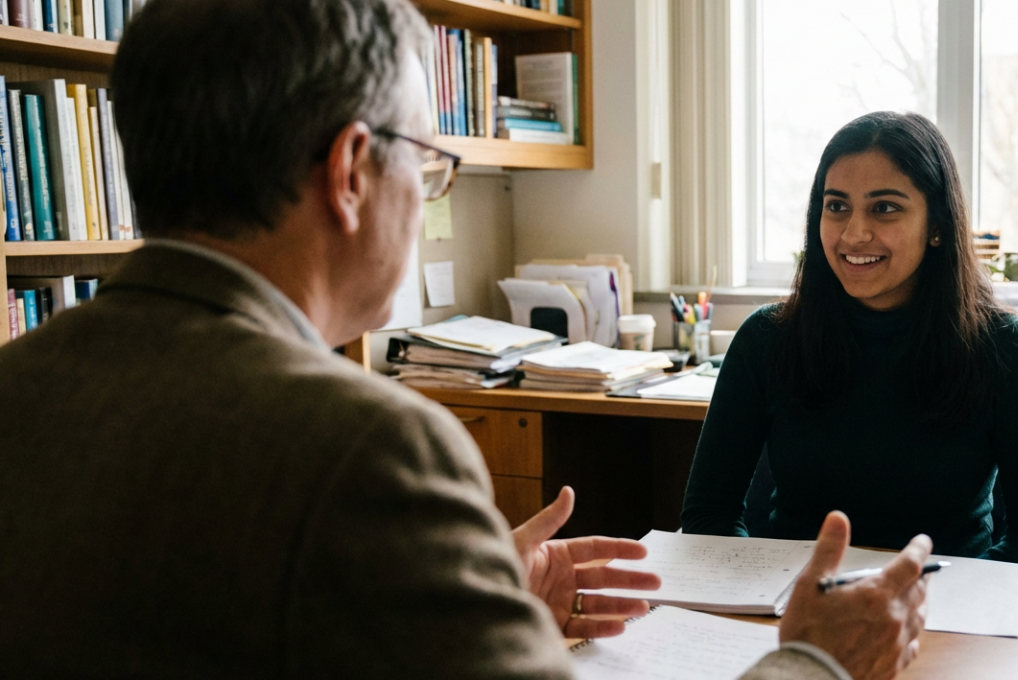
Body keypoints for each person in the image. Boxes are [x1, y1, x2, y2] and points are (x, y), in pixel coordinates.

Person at [0, 2, 932, 678]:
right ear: (353, 171)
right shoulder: (371, 450)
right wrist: (814, 664)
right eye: (431, 162)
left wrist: (474, 609)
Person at [681, 112, 1018, 581]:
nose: (853, 234)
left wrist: (905, 595)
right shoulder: (766, 340)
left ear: (937, 226)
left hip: (947, 616)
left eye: (884, 208)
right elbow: (708, 518)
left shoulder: (1005, 348)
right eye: (837, 206)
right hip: (798, 608)